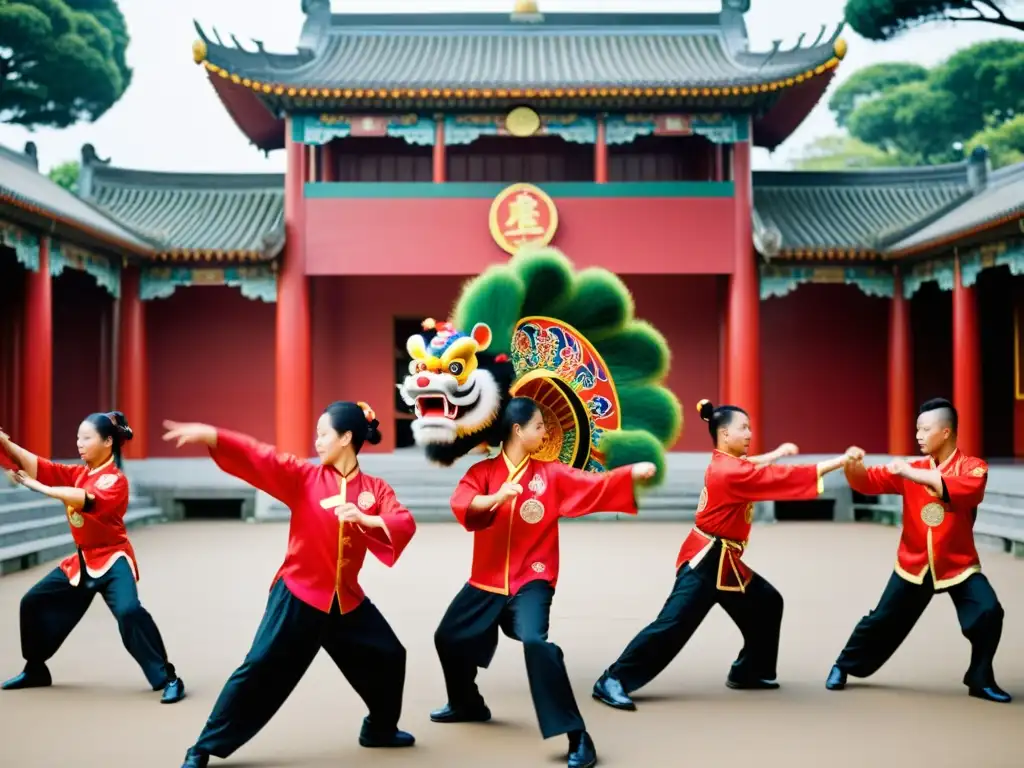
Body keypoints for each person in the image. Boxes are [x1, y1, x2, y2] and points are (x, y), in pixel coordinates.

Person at [164, 401, 418, 768]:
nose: (316, 442)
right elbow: (262, 456)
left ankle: (379, 729)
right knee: (259, 667)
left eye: (323, 434)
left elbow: (402, 521)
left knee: (389, 655)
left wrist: (366, 517)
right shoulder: (305, 477)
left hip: (345, 601)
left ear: (346, 437)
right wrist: (215, 436)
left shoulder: (375, 489)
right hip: (298, 594)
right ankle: (203, 747)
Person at [430, 397, 657, 768]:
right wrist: (495, 498)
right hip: (486, 581)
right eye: (538, 426)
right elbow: (463, 504)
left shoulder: (550, 474)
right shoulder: (482, 473)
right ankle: (466, 702)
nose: (544, 431)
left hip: (531, 580)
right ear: (517, 431)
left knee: (536, 642)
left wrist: (629, 474)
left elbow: (593, 485)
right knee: (448, 636)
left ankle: (577, 734)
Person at [593, 399, 849, 711]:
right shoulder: (730, 473)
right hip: (707, 561)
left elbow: (752, 466)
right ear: (725, 434)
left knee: (767, 603)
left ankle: (750, 670)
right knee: (672, 625)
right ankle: (613, 679)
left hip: (725, 561)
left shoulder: (726, 463)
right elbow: (778, 478)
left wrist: (775, 454)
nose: (749, 432)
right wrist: (840, 461)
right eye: (743, 428)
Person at [826, 398, 1011, 703]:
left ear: (946, 432)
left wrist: (910, 474)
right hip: (913, 563)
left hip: (957, 563)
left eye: (925, 429)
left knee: (989, 611)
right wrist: (853, 467)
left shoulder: (974, 468)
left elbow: (963, 491)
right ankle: (843, 665)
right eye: (917, 429)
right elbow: (867, 482)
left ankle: (980, 677)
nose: (918, 436)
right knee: (881, 621)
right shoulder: (910, 467)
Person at [0, 412, 184, 704]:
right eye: (77, 438)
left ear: (108, 442)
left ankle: (168, 677)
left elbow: (85, 499)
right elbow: (38, 465)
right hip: (82, 563)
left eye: (86, 438)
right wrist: (5, 444)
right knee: (33, 602)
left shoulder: (116, 480)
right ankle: (35, 668)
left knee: (129, 611)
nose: (79, 444)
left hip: (112, 561)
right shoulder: (80, 473)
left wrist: (42, 489)